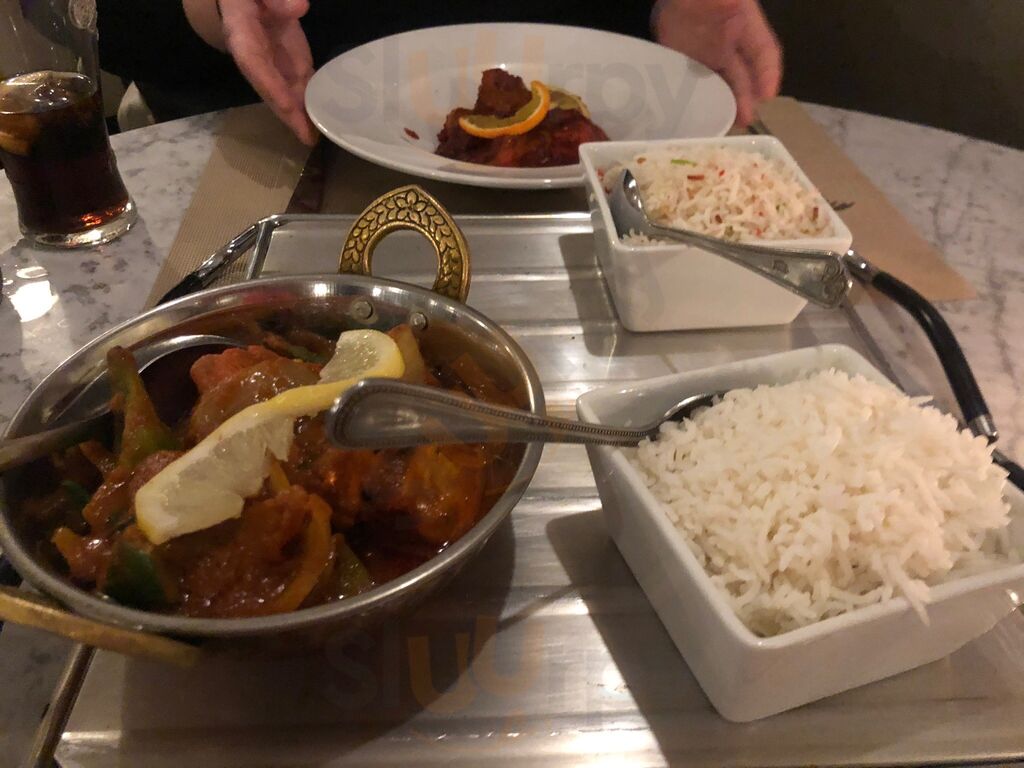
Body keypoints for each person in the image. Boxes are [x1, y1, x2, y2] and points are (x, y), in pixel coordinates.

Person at [98, 0, 781, 144]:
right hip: (286, 153)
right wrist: (211, 9)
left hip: (622, 156)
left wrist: (672, 9)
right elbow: (106, 24)